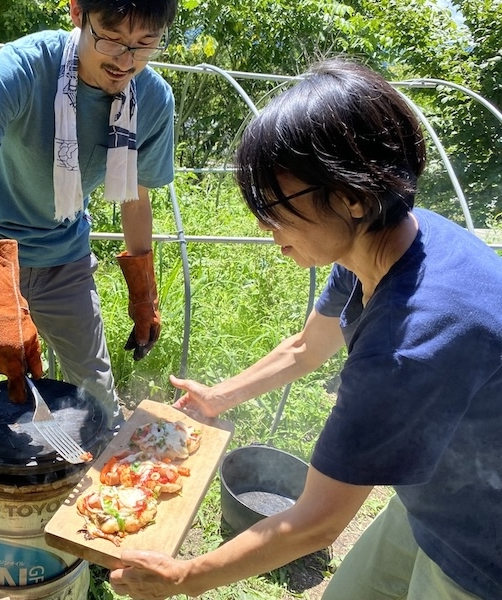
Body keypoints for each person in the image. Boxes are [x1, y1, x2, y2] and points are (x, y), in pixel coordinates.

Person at [109, 59, 502, 599]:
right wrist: (219, 397)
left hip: (482, 549)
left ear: (352, 196)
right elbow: (307, 347)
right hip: (431, 500)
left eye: (275, 207)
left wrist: (184, 577)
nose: (264, 227)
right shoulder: (386, 242)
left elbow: (317, 522)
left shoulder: (407, 345)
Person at [0, 0, 178, 537]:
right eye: (112, 38)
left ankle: (103, 491)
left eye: (144, 45)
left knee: (96, 384)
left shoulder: (153, 100)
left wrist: (144, 296)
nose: (125, 61)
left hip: (67, 258)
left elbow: (135, 198)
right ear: (78, 13)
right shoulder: (22, 69)